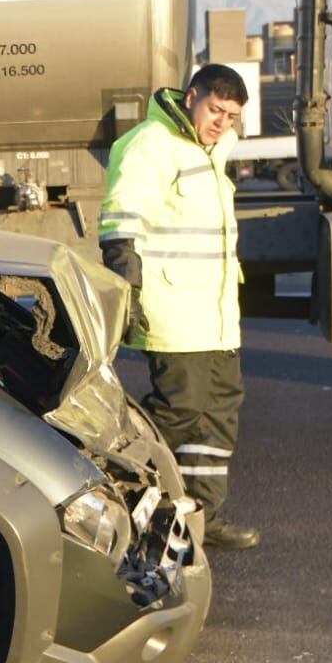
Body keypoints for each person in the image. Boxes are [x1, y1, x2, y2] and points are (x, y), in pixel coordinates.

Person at [98, 64, 259, 551]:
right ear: (192, 97)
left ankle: (200, 518)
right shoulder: (153, 144)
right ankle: (114, 496)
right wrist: (128, 285)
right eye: (215, 109)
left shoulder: (212, 150)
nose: (222, 122)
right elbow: (122, 221)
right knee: (180, 411)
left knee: (217, 416)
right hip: (174, 312)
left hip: (216, 316)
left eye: (231, 116)